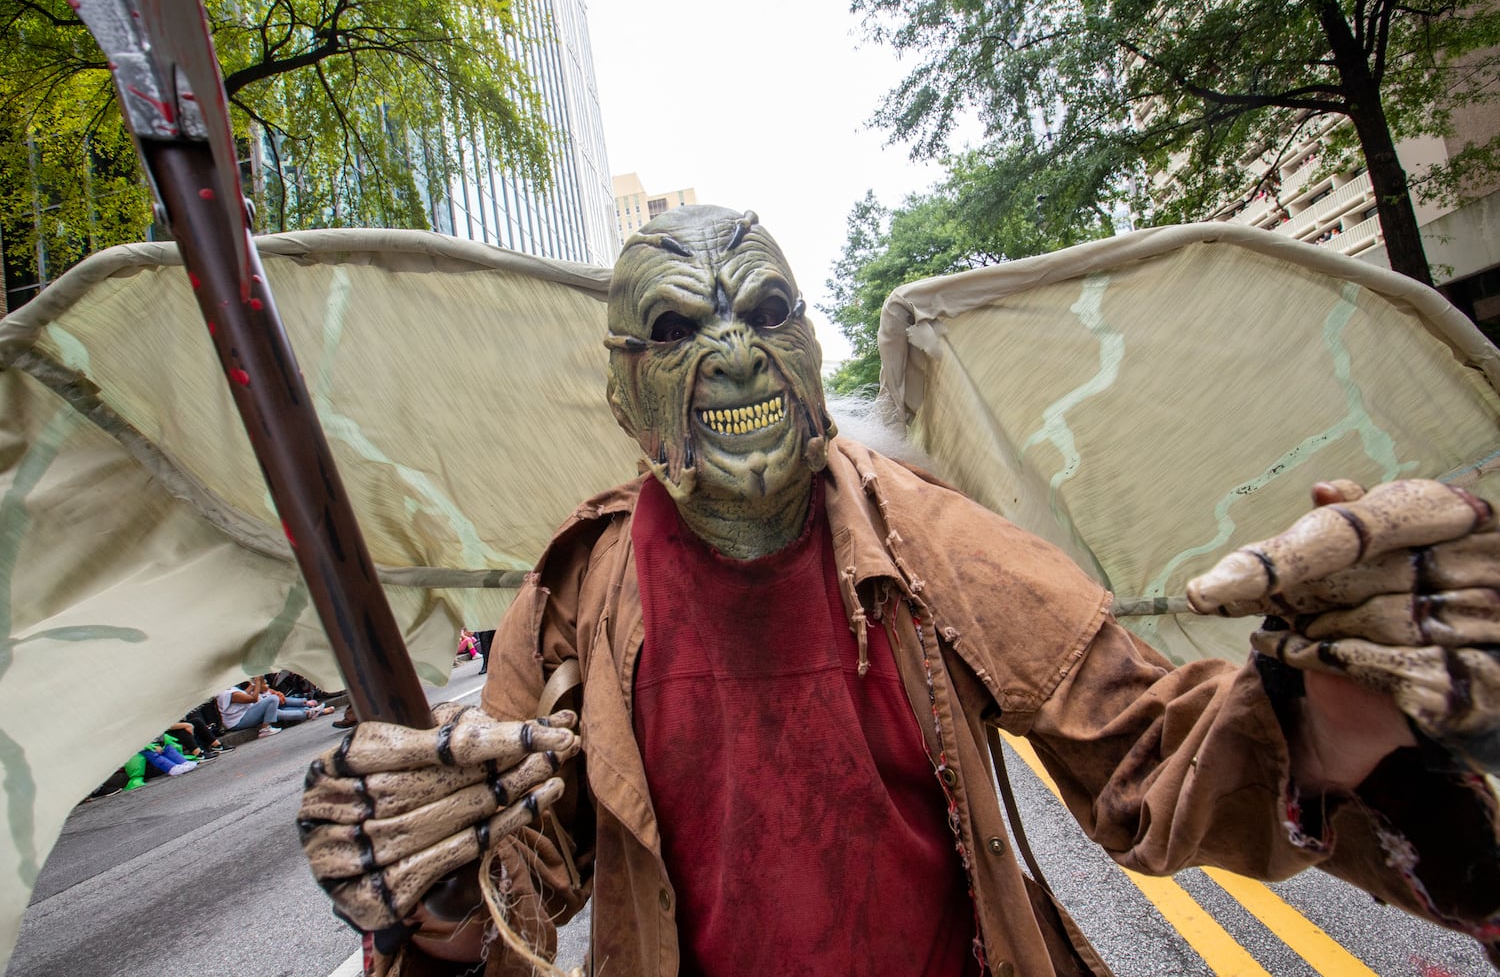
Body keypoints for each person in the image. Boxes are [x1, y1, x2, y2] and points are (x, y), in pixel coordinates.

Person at [299, 206, 1500, 976]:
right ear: (625, 396)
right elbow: (517, 881)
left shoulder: (930, 537)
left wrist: (1324, 732)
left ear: (813, 354)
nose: (733, 351)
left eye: (766, 311)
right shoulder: (575, 595)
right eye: (677, 327)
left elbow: (1140, 748)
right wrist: (437, 902)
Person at [216, 680, 284, 739]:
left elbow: (245, 693)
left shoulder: (231, 689)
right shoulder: (226, 693)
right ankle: (265, 729)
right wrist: (258, 682)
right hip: (238, 721)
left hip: (246, 713)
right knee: (273, 698)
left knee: (284, 711)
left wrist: (254, 684)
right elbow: (253, 699)